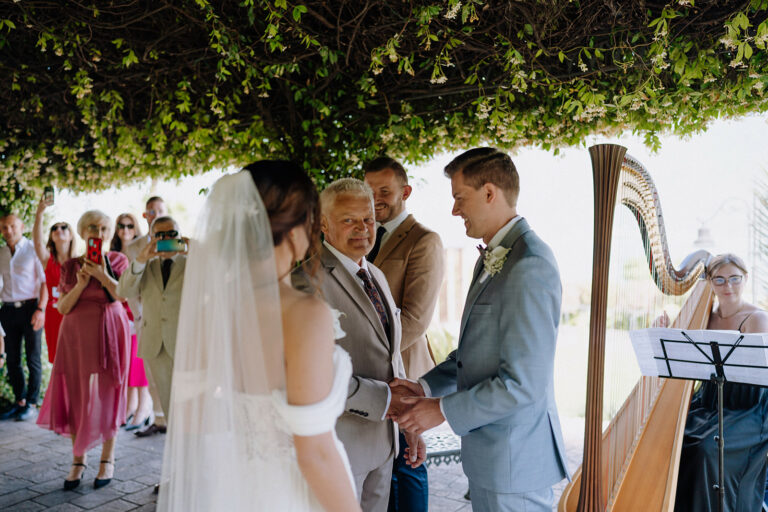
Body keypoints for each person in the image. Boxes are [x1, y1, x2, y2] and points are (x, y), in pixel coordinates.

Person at [158, 162, 361, 512]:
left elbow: (189, 416)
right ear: (297, 233)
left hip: (231, 487)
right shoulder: (303, 314)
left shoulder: (211, 309)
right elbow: (315, 454)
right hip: (291, 492)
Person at [392, 148, 569, 512]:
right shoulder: (494, 256)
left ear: (490, 193)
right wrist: (424, 387)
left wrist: (441, 409)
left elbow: (522, 385)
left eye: (460, 198)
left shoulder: (529, 264)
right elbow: (475, 353)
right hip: (494, 458)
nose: (454, 210)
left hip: (514, 462)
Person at [293, 177, 425, 512]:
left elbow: (390, 355)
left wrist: (407, 422)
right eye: (348, 220)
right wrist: (384, 400)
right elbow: (309, 373)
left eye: (368, 220)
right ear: (323, 224)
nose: (362, 229)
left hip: (383, 444)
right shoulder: (305, 281)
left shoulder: (376, 274)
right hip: (336, 446)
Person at [363, 157, 444, 512]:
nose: (375, 198)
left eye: (384, 191)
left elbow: (416, 318)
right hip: (369, 374)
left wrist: (373, 354)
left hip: (404, 370)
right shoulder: (362, 236)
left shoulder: (424, 240)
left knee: (407, 464)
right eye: (369, 191)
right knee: (380, 467)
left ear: (405, 191)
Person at [36, 210, 131, 491]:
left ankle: (107, 458)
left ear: (110, 232)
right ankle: (78, 459)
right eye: (92, 227)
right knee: (77, 394)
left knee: (109, 392)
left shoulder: (118, 260)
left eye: (104, 227)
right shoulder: (70, 265)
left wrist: (102, 274)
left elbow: (122, 296)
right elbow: (63, 307)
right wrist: (80, 282)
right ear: (82, 231)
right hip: (76, 334)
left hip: (111, 331)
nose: (98, 232)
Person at [674, 253, 768, 512]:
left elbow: (756, 377)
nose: (728, 286)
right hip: (711, 402)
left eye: (735, 279)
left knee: (706, 448)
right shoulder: (704, 317)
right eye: (720, 279)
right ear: (709, 282)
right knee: (676, 440)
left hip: (748, 406)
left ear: (745, 279)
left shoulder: (757, 319)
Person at [117, 216, 187, 450]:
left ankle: (193, 472)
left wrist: (199, 252)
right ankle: (174, 475)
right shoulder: (143, 263)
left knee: (190, 412)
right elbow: (124, 290)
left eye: (172, 234)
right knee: (168, 410)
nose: (166, 240)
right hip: (156, 345)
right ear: (152, 237)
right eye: (160, 235)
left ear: (179, 235)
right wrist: (141, 259)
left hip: (187, 344)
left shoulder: (192, 261)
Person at [124, 197, 169, 437]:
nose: (157, 214)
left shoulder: (179, 242)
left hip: (173, 318)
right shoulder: (134, 247)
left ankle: (176, 419)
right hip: (146, 318)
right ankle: (159, 419)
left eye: (161, 210)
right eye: (152, 211)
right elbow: (130, 285)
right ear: (145, 215)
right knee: (151, 373)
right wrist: (138, 315)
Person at [0, 212, 47, 422]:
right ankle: (19, 400)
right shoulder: (1, 253)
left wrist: (41, 309)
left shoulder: (33, 250)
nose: (8, 230)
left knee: (33, 358)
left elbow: (45, 281)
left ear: (22, 226)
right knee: (12, 359)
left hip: (31, 308)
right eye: (4, 227)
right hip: (7, 310)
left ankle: (31, 403)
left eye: (12, 226)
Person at [111, 213, 153, 430]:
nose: (125, 230)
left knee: (139, 360)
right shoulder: (113, 255)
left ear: (135, 228)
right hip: (120, 312)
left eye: (129, 225)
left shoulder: (141, 251)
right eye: (121, 226)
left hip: (138, 310)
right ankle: (131, 405)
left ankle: (144, 407)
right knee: (128, 361)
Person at [33, 198, 74, 365]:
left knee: (75, 361)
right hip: (54, 316)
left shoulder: (79, 262)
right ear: (51, 236)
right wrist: (40, 213)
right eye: (54, 228)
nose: (59, 230)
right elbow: (37, 242)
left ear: (71, 235)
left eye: (64, 227)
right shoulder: (47, 261)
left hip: (74, 316)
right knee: (58, 363)